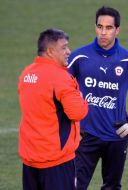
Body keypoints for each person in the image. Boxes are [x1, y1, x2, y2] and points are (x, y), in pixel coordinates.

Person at [67, 6, 128, 190]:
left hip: (117, 138)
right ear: (95, 27)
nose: (103, 32)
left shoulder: (127, 60)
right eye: (99, 26)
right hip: (85, 137)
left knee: (112, 187)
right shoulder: (79, 56)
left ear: (117, 30)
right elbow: (60, 85)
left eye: (109, 28)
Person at [18, 28, 89, 190]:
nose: (68, 51)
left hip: (30, 159)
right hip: (56, 161)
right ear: (50, 51)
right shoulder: (61, 78)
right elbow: (78, 112)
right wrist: (81, 96)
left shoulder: (26, 74)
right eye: (63, 47)